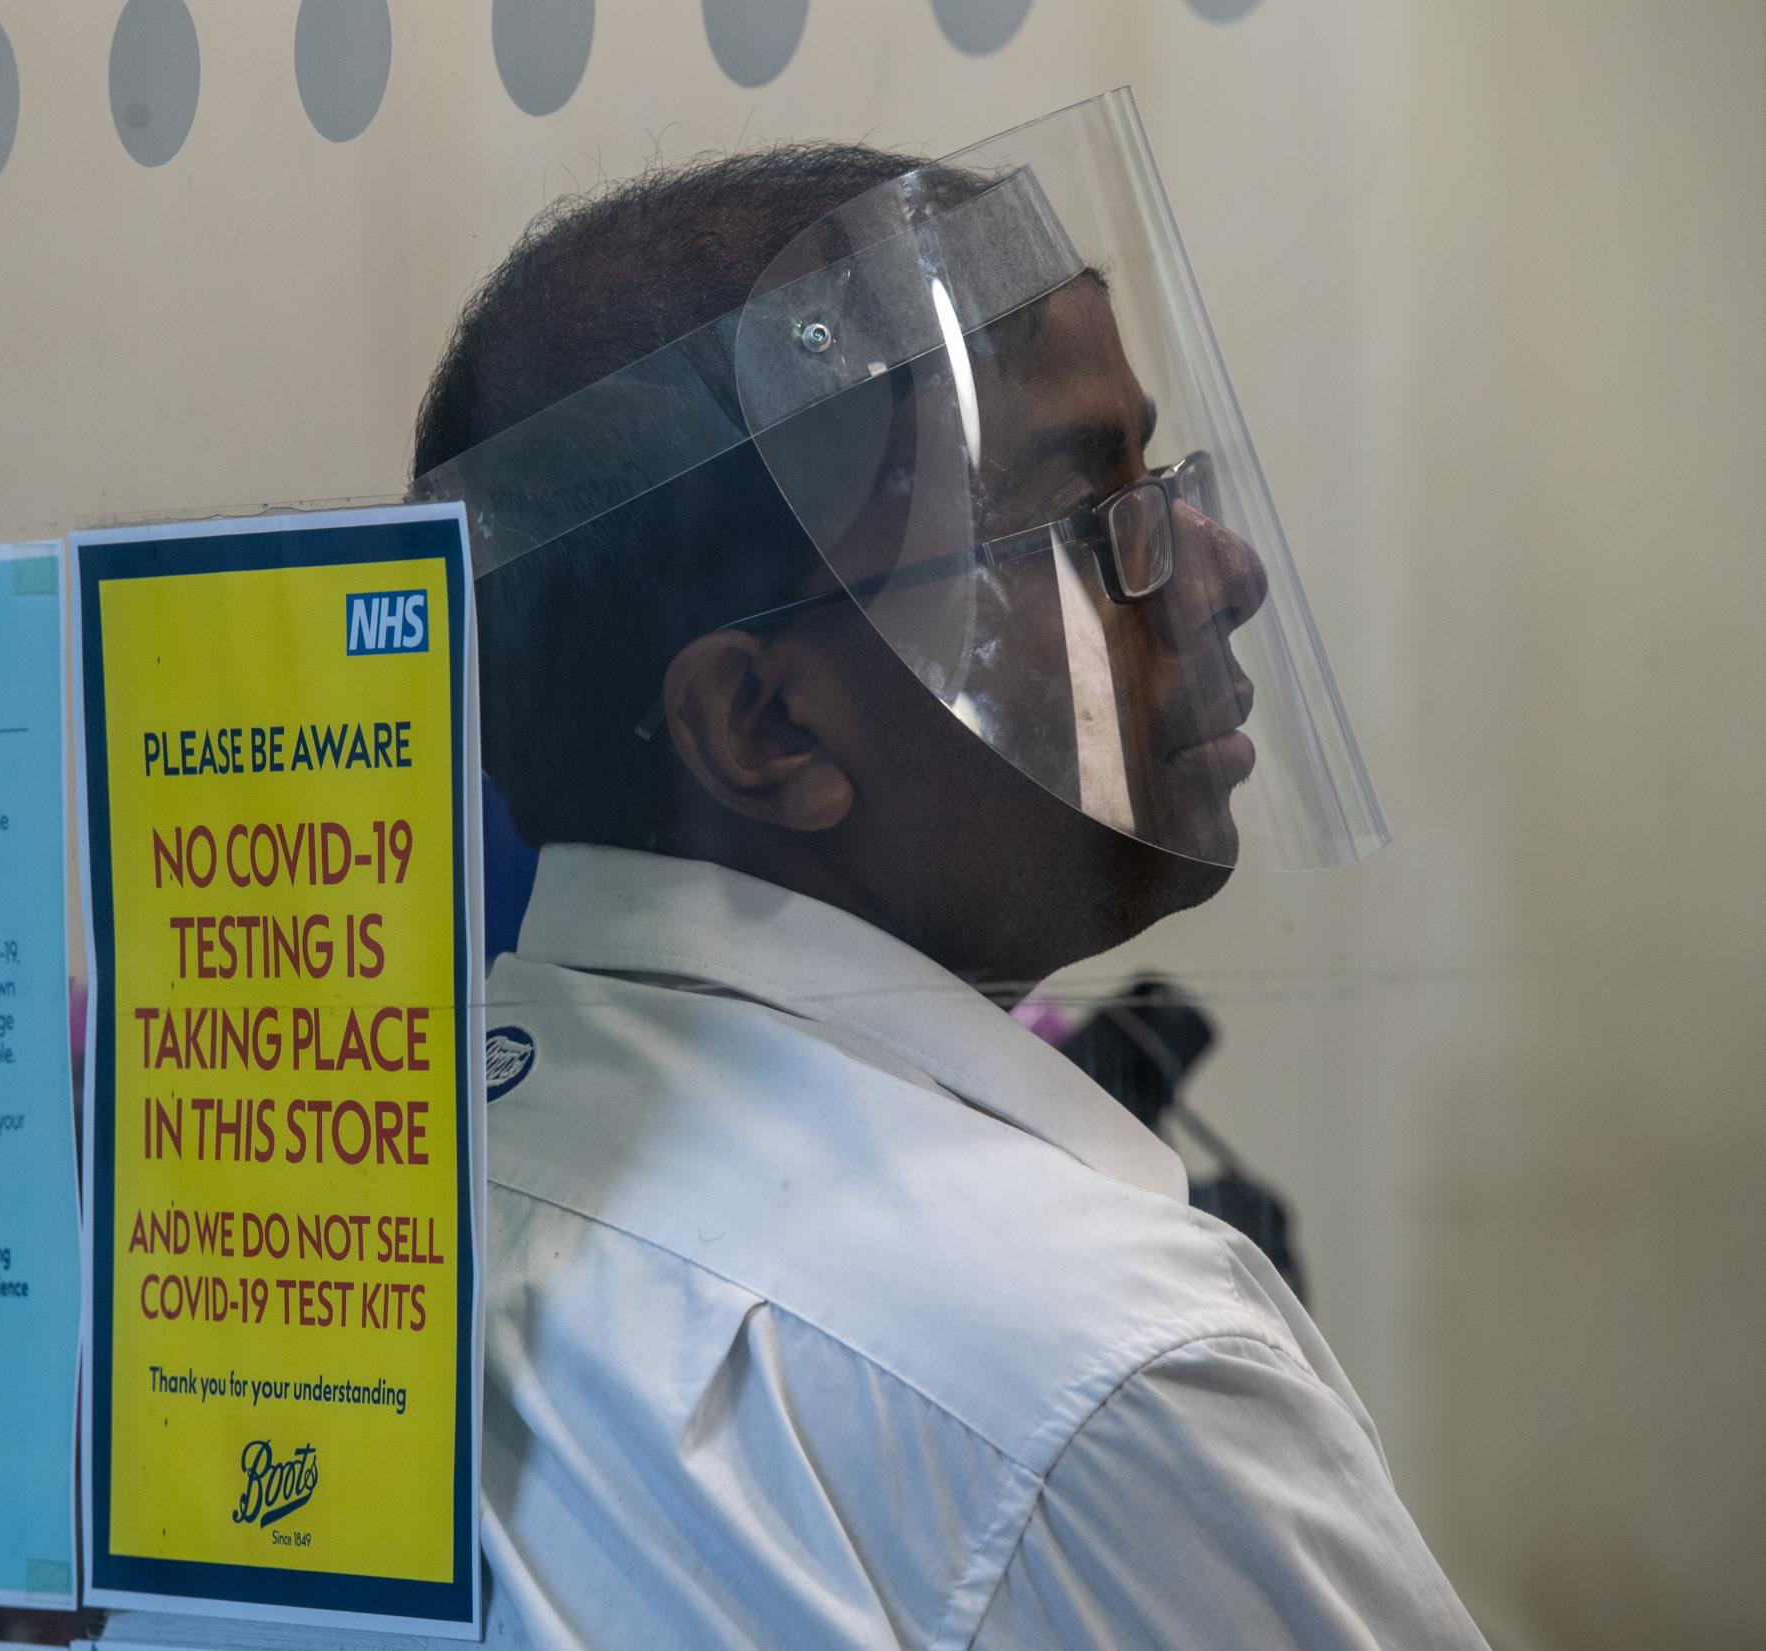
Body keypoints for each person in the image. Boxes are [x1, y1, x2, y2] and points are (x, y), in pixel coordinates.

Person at [412, 93, 1482, 1648]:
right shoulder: (1098, 1365)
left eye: (1163, 481)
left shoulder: (371, 1227)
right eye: (1092, 513)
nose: (1218, 571)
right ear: (769, 725)